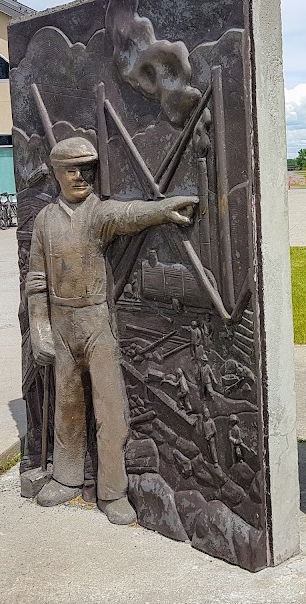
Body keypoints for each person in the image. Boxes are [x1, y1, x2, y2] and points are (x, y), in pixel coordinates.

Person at [26, 136, 198, 525]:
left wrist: (160, 209)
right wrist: (41, 331)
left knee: (110, 409)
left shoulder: (97, 213)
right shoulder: (45, 221)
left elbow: (127, 214)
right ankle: (67, 478)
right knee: (67, 408)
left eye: (87, 168)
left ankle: (113, 492)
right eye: (72, 169)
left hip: (96, 324)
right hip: (61, 324)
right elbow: (36, 279)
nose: (81, 175)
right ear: (57, 173)